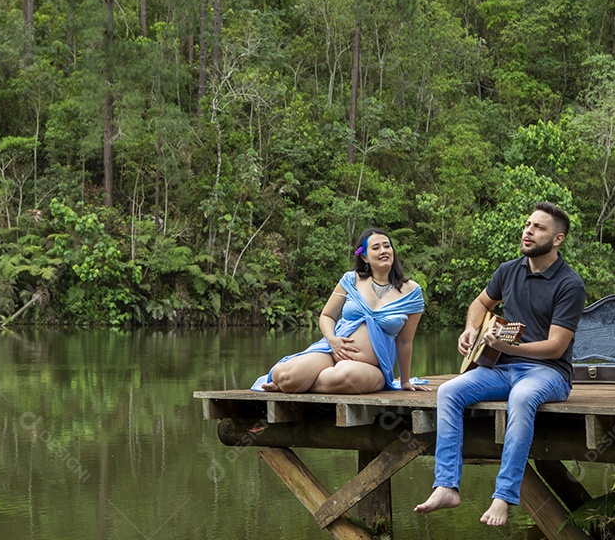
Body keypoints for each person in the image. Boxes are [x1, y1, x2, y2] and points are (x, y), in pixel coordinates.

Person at [414, 201, 586, 527]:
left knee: (522, 398)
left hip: (548, 373)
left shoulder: (569, 284)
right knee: (449, 391)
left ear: (558, 239)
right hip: (499, 368)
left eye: (539, 228)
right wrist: (471, 330)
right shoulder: (508, 270)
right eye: (527, 225)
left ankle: (504, 496)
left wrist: (512, 345)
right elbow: (481, 303)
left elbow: (556, 347)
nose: (528, 231)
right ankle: (446, 485)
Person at [251, 227, 427, 394]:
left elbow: (404, 342)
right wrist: (332, 340)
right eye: (376, 247)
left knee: (343, 375)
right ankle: (293, 382)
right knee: (287, 376)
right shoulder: (350, 280)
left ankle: (298, 385)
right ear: (364, 257)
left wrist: (404, 381)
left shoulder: (411, 291)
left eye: (387, 246)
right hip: (331, 351)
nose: (383, 250)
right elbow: (327, 315)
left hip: (371, 366)